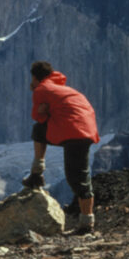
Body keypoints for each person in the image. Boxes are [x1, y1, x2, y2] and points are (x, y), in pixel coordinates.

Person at [21, 61, 100, 234]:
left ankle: (87, 224)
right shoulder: (63, 89)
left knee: (77, 177)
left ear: (35, 77)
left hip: (75, 132)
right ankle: (36, 173)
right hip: (84, 128)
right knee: (39, 131)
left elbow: (37, 115)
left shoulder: (41, 90)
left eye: (32, 78)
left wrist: (44, 109)